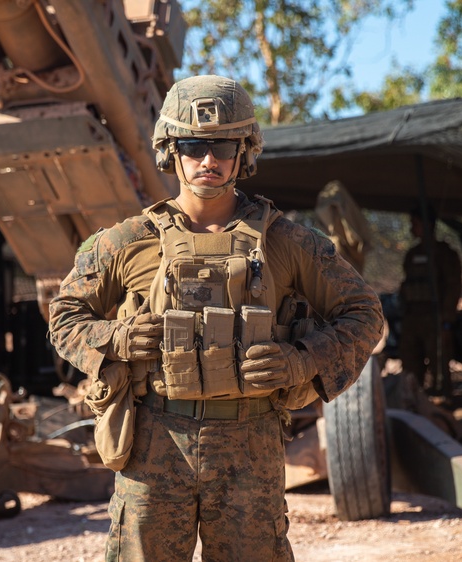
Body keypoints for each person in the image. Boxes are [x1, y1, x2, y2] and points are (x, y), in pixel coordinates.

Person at [48, 75, 383, 561]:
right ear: (170, 149)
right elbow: (64, 316)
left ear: (244, 152)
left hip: (251, 445)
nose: (208, 160)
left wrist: (301, 361)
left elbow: (363, 313)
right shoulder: (126, 241)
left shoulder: (287, 242)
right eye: (194, 145)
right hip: (152, 442)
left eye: (224, 146)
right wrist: (116, 337)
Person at [397, 204, 462, 400]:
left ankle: (442, 407)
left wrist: (446, 322)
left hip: (435, 320)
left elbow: (453, 289)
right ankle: (415, 406)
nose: (411, 229)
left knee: (439, 369)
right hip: (412, 321)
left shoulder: (444, 254)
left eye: (415, 224)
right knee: (410, 368)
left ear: (427, 225)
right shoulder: (411, 255)